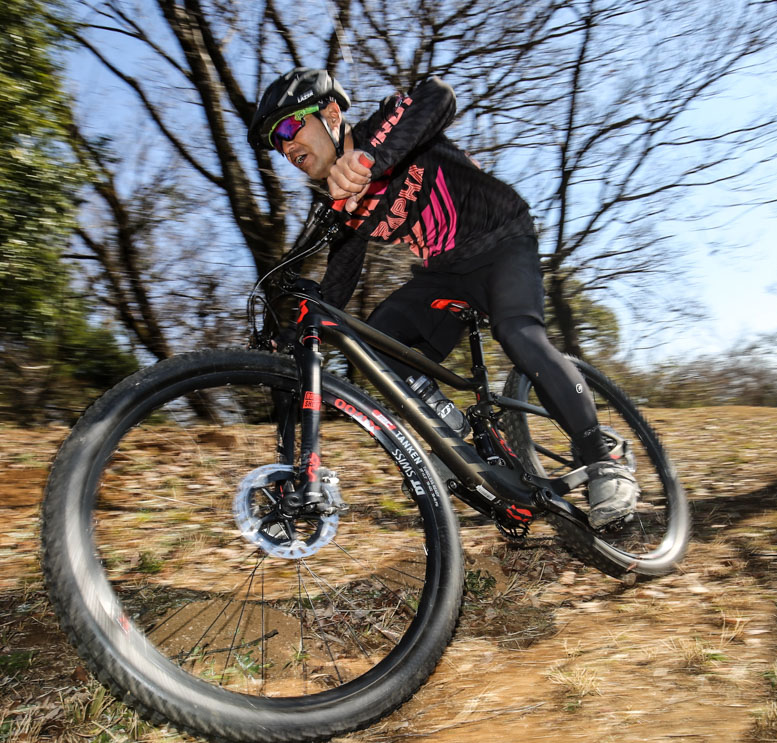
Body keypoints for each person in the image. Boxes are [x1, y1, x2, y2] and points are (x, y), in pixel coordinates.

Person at [248, 68, 638, 529]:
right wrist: (291, 335)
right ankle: (455, 445)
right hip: (445, 273)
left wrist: (369, 158)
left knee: (517, 332)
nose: (285, 146)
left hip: (502, 238)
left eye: (290, 126)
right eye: (277, 142)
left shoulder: (383, 130)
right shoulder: (343, 205)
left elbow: (438, 97)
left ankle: (602, 454)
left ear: (332, 113)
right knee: (375, 341)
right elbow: (336, 286)